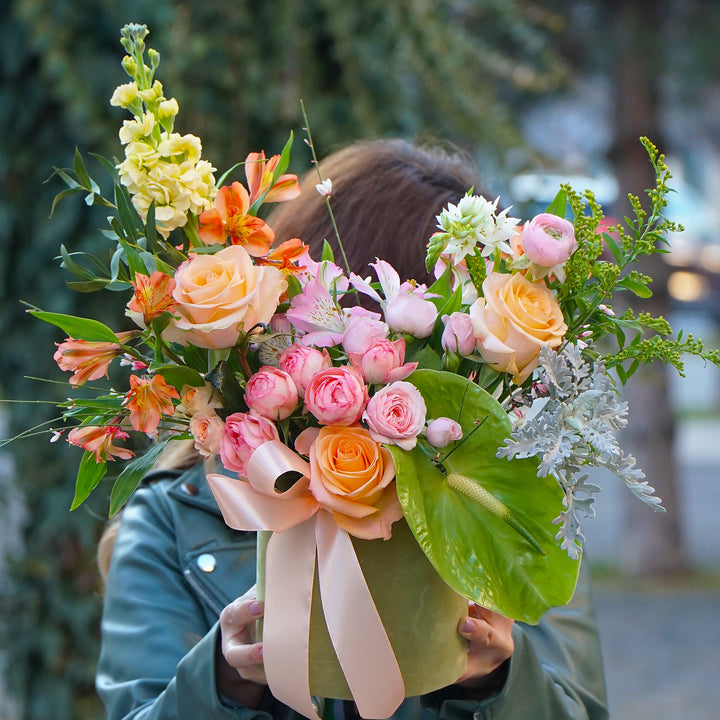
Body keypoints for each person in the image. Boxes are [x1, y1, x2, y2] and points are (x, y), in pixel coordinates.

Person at [95, 139, 609, 720]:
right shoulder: (179, 516)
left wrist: (494, 683)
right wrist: (223, 680)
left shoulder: (509, 500)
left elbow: (580, 709)